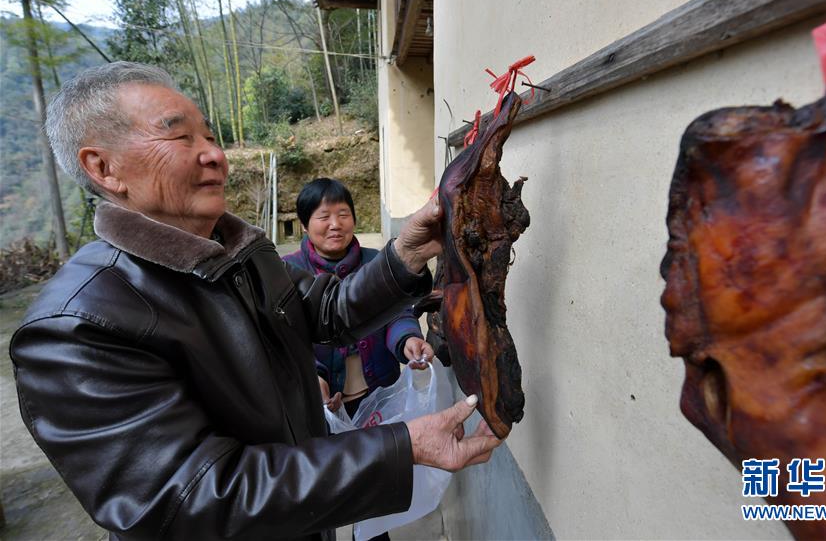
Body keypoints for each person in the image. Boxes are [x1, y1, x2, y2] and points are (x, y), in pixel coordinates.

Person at [9, 62, 501, 541]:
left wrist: (404, 255)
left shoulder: (242, 253)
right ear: (103, 167)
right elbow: (193, 497)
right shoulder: (75, 327)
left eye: (209, 136)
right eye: (181, 137)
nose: (215, 155)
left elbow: (320, 314)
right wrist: (400, 447)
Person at [282, 178, 433, 418]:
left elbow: (397, 313)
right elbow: (286, 340)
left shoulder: (376, 261)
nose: (335, 224)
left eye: (343, 214)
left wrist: (407, 339)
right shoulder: (287, 271)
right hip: (323, 403)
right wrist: (313, 377)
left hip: (380, 395)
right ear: (304, 224)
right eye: (323, 217)